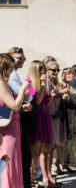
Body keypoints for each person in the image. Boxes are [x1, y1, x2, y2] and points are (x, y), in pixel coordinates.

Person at [0, 53, 30, 188]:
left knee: (12, 162)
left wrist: (22, 103)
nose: (12, 71)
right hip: (7, 131)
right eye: (10, 68)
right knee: (8, 163)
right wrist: (23, 89)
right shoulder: (1, 84)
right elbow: (14, 106)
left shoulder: (3, 83)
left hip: (12, 127)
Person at [7, 47, 34, 188]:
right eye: (19, 58)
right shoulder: (9, 77)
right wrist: (25, 90)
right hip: (9, 125)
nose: (22, 61)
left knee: (21, 159)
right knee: (12, 161)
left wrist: (28, 91)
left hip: (16, 120)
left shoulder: (15, 75)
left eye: (24, 58)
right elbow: (21, 97)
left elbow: (32, 94)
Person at [62, 68, 76, 172]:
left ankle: (72, 162)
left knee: (75, 137)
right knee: (67, 138)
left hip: (75, 113)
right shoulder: (62, 86)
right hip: (67, 114)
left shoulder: (74, 87)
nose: (70, 75)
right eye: (68, 74)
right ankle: (64, 162)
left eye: (71, 74)